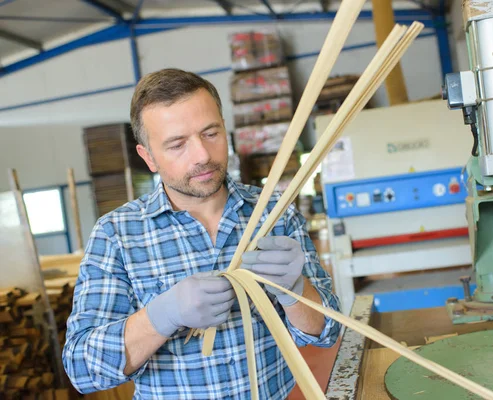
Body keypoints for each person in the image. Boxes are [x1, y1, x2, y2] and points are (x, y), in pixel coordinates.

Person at [63, 68, 341, 399]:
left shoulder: (274, 213)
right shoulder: (117, 235)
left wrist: (296, 291)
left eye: (211, 133)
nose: (203, 156)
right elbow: (82, 369)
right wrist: (161, 316)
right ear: (148, 157)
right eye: (177, 144)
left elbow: (327, 331)